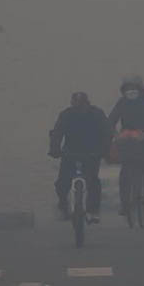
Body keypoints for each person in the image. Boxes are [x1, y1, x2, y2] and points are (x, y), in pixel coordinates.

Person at [108, 75, 144, 215]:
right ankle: (124, 204)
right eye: (128, 89)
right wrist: (115, 134)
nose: (131, 91)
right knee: (124, 173)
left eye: (134, 88)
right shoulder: (121, 103)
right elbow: (111, 120)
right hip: (127, 142)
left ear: (140, 89)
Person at [49, 92, 111, 223]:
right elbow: (57, 133)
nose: (79, 108)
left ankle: (93, 211)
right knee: (62, 183)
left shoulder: (97, 114)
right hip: (70, 154)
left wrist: (105, 149)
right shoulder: (66, 115)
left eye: (81, 105)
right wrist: (54, 149)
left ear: (87, 103)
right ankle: (63, 205)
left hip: (92, 154)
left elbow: (107, 132)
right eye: (76, 105)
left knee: (93, 182)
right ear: (72, 104)